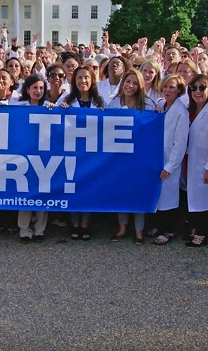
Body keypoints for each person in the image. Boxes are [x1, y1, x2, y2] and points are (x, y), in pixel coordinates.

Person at [171, 74, 208, 247]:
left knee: (204, 200)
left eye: (202, 88)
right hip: (189, 160)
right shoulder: (189, 110)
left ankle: (202, 232)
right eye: (193, 88)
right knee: (192, 197)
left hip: (204, 163)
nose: (198, 92)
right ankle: (195, 227)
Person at [107, 69, 155, 244]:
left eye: (135, 83)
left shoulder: (148, 105)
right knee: (122, 191)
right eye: (128, 82)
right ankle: (122, 226)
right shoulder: (113, 103)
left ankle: (139, 230)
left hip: (141, 155)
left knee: (139, 191)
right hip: (119, 155)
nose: (130, 86)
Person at [60, 66, 105, 240]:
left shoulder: (100, 101)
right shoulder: (66, 100)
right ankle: (74, 223)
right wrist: (56, 109)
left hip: (91, 153)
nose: (83, 81)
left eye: (86, 77)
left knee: (88, 187)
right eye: (79, 78)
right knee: (71, 186)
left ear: (92, 80)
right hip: (71, 150)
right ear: (74, 81)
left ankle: (85, 224)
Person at [146, 74, 188, 244]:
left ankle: (169, 230)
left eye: (172, 87)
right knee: (158, 195)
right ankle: (158, 225)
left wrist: (171, 166)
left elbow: (180, 143)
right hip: (157, 157)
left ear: (179, 90)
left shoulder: (181, 112)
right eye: (165, 87)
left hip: (170, 160)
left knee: (169, 197)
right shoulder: (161, 105)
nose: (168, 90)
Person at [15, 73, 51, 243]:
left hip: (44, 156)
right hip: (23, 155)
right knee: (25, 192)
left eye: (41, 88)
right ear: (28, 89)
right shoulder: (18, 106)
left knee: (42, 191)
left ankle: (40, 229)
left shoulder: (50, 107)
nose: (38, 91)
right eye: (35, 87)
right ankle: (24, 229)